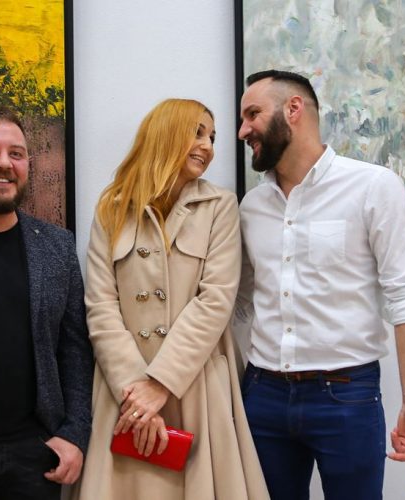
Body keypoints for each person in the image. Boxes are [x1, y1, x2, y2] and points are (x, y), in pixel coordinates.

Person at [236, 69, 405, 500]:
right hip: (263, 394)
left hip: (346, 397)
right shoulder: (252, 206)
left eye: (252, 114)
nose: (243, 131)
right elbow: (240, 302)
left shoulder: (373, 187)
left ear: (293, 109)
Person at [71, 98, 269, 500]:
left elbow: (216, 301)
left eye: (212, 137)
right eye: (197, 132)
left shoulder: (219, 206)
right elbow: (101, 306)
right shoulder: (111, 208)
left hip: (196, 386)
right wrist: (135, 392)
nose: (208, 146)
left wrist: (160, 384)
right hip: (122, 390)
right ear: (165, 133)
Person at [0, 105, 93, 499]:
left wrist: (74, 434)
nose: (4, 163)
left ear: (28, 165)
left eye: (16, 154)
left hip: (36, 452)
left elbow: (75, 349)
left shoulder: (58, 247)